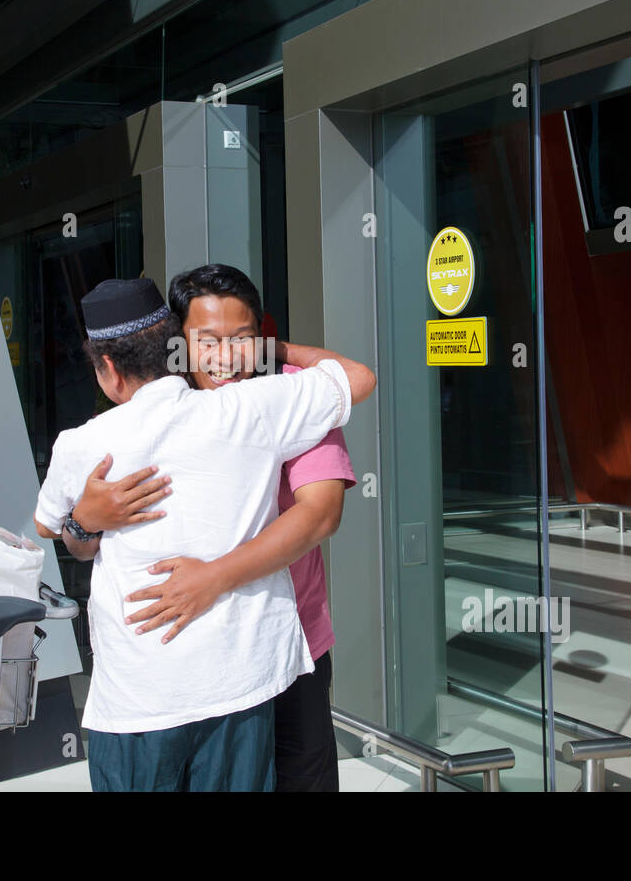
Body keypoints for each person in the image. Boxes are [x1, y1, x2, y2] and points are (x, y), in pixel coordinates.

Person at [33, 277, 375, 791]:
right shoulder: (246, 407)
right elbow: (76, 542)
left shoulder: (277, 393)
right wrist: (87, 519)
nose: (226, 355)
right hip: (212, 685)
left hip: (283, 651)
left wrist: (212, 578)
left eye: (242, 337)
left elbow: (321, 516)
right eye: (207, 340)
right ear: (175, 343)